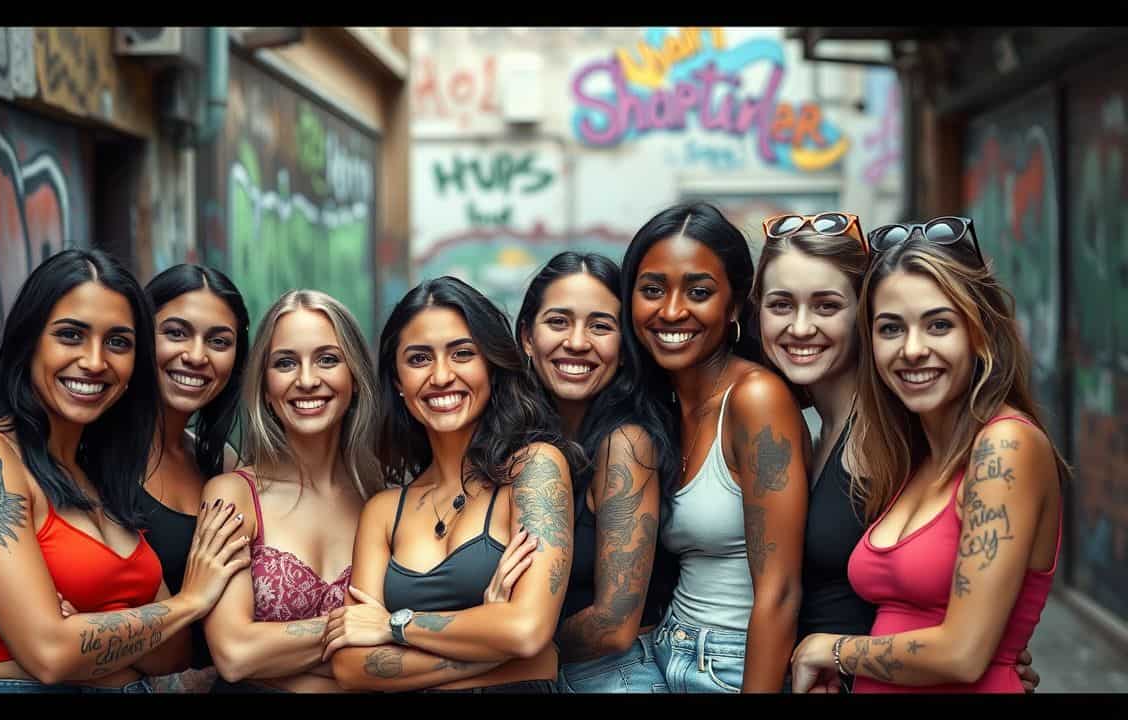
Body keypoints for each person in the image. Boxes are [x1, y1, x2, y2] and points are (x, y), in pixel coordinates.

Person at [752, 212, 1041, 693]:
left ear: (979, 331)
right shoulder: (911, 438)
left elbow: (965, 649)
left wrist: (834, 651)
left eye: (939, 325)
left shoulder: (968, 440)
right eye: (892, 328)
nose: (912, 349)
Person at [0, 249, 249, 693]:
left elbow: (175, 652)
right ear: (29, 340)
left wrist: (89, 629)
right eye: (70, 335)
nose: (95, 361)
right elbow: (50, 655)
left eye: (118, 342)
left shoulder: (99, 469)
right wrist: (189, 602)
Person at [325, 276, 579, 693]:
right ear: (397, 381)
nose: (441, 376)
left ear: (491, 366)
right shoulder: (384, 511)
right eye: (419, 359)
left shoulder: (534, 470)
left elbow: (527, 629)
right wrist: (495, 648)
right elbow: (353, 668)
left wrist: (394, 624)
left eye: (462, 354)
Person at [622, 201, 811, 692]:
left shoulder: (756, 400)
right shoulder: (660, 404)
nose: (670, 311)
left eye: (699, 292)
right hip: (667, 652)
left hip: (732, 665)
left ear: (733, 307)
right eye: (651, 290)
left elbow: (781, 592)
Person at [200, 290, 383, 693]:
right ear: (265, 386)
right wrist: (359, 632)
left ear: (355, 375)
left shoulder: (383, 497)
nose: (306, 380)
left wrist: (277, 657)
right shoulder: (233, 495)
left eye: (328, 359)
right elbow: (234, 654)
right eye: (285, 363)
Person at [514, 251, 676, 693]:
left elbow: (614, 625)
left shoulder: (627, 443)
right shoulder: (514, 442)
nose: (578, 342)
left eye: (601, 326)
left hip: (611, 678)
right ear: (527, 336)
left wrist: (509, 639)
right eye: (559, 322)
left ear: (625, 348)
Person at [135, 264, 249, 691]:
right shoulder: (93, 457)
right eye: (177, 333)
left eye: (219, 341)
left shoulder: (221, 462)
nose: (197, 355)